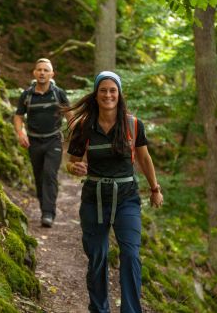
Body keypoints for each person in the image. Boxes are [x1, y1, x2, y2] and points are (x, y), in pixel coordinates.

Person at [65, 71, 163, 313]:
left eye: (113, 90)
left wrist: (155, 189)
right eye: (103, 90)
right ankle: (99, 309)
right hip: (94, 198)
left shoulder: (133, 124)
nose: (108, 95)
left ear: (119, 95)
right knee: (97, 257)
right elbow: (71, 162)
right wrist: (74, 168)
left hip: (126, 198)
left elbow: (144, 157)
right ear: (96, 94)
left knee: (130, 254)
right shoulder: (83, 126)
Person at [14, 58, 70, 228]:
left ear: (52, 74)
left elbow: (69, 115)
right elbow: (18, 116)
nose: (42, 73)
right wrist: (20, 132)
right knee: (39, 177)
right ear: (34, 73)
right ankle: (44, 208)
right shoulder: (27, 95)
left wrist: (77, 134)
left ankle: (48, 213)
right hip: (34, 142)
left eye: (46, 70)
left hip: (53, 139)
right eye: (39, 70)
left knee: (49, 174)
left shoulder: (58, 93)